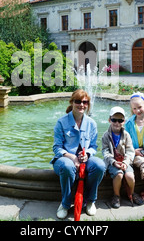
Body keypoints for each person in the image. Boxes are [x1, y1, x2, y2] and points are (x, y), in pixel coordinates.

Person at [51, 89, 106, 219]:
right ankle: (65, 204)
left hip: (85, 159)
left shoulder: (91, 123)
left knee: (100, 165)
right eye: (78, 101)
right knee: (67, 166)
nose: (81, 105)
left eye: (85, 102)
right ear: (72, 102)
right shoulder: (61, 122)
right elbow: (57, 147)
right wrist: (72, 157)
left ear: (88, 104)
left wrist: (87, 154)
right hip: (64, 159)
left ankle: (90, 200)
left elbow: (93, 147)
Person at [102, 106, 142, 208]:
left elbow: (130, 150)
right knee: (118, 175)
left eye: (120, 120)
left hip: (125, 161)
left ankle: (132, 193)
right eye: (114, 120)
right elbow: (105, 151)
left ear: (124, 121)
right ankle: (116, 195)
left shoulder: (126, 135)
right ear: (109, 120)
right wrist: (113, 162)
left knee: (129, 176)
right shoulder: (106, 136)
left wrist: (125, 162)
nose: (117, 123)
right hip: (113, 162)